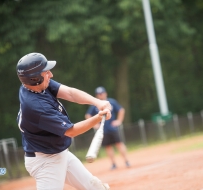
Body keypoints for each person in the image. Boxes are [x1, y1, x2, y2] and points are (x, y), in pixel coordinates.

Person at [16, 52, 112, 190]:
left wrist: (98, 102)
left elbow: (70, 93)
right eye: (46, 72)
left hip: (58, 152)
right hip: (45, 161)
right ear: (35, 78)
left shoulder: (37, 85)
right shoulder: (36, 106)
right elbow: (71, 131)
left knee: (96, 187)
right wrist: (97, 117)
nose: (51, 75)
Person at [85, 86, 130, 170]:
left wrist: (119, 121)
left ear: (105, 93)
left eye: (102, 93)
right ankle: (113, 164)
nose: (100, 95)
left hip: (112, 128)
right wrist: (94, 125)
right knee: (108, 146)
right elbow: (88, 115)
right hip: (103, 130)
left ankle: (126, 161)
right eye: (99, 94)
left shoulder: (111, 102)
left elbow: (121, 110)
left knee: (119, 144)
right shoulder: (96, 105)